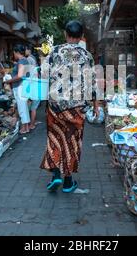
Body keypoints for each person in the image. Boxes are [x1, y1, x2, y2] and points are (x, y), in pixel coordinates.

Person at [40, 20, 99, 194]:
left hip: (55, 106)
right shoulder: (86, 55)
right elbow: (92, 83)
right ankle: (68, 182)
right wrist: (96, 105)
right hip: (77, 108)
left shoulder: (55, 51)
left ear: (65, 34)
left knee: (55, 138)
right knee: (72, 142)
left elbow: (43, 73)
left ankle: (56, 174)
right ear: (81, 37)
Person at [4, 44, 31, 134]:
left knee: (22, 107)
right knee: (24, 107)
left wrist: (9, 81)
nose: (13, 55)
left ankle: (24, 128)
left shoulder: (21, 61)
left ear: (16, 52)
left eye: (14, 53)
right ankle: (26, 127)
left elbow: (20, 76)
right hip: (24, 85)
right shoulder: (25, 60)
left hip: (20, 86)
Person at [25, 46, 41, 130]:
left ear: (29, 50)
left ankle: (30, 124)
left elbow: (27, 73)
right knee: (33, 106)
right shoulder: (34, 59)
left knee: (30, 106)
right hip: (36, 83)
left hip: (31, 84)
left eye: (26, 49)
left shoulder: (28, 59)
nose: (25, 51)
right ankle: (32, 123)